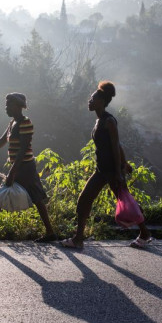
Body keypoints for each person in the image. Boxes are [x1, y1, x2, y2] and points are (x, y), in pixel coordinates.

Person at [61, 81, 153, 249]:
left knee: (126, 200)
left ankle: (144, 233)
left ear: (102, 101)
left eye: (93, 98)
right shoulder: (99, 121)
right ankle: (78, 238)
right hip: (102, 169)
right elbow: (117, 145)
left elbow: (116, 144)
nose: (89, 101)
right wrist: (124, 163)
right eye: (90, 98)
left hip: (111, 170)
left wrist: (120, 170)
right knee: (85, 200)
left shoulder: (109, 121)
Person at [0, 92, 57, 243]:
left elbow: (23, 151)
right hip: (20, 167)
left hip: (25, 168)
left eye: (8, 104)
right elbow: (1, 141)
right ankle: (50, 232)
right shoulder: (12, 123)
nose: (6, 108)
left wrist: (12, 173)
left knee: (31, 197)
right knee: (32, 197)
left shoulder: (25, 123)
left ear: (17, 106)